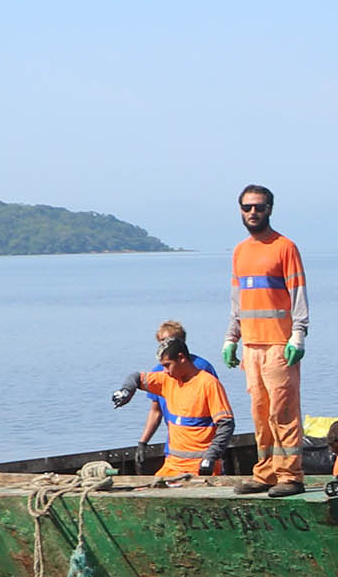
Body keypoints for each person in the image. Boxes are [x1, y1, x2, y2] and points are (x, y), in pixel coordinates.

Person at [224, 183, 310, 497]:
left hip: (279, 344)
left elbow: (298, 292)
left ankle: (291, 475)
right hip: (251, 345)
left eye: (258, 206)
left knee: (282, 411)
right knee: (260, 412)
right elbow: (238, 299)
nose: (253, 212)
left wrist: (298, 334)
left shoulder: (285, 247)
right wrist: (230, 338)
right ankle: (265, 473)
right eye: (247, 207)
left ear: (269, 209)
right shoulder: (240, 251)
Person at [113, 322, 235, 483]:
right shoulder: (167, 380)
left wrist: (211, 457)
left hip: (199, 467)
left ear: (181, 358)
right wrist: (126, 391)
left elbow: (226, 424)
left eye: (167, 365)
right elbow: (136, 377)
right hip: (172, 465)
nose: (164, 371)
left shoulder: (208, 383)